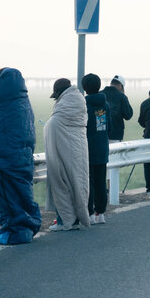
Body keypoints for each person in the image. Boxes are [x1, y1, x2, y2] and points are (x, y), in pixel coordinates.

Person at [0, 67, 41, 245]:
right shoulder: (24, 102)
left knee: (9, 196)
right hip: (25, 156)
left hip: (8, 158)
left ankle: (15, 232)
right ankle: (27, 227)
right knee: (23, 194)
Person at [44, 78, 91, 231]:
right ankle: (77, 218)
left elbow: (55, 123)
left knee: (61, 179)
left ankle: (66, 220)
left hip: (62, 146)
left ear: (59, 92)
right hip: (79, 148)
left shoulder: (64, 106)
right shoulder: (79, 100)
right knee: (78, 181)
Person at [82, 74, 112, 224]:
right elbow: (109, 127)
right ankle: (101, 213)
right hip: (102, 147)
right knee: (101, 181)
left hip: (87, 148)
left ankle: (90, 215)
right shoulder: (104, 104)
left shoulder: (84, 104)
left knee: (89, 182)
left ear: (85, 87)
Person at [100, 75, 133, 142]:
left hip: (100, 133)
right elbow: (128, 115)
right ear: (120, 86)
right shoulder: (122, 97)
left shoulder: (99, 94)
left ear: (111, 83)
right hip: (116, 135)